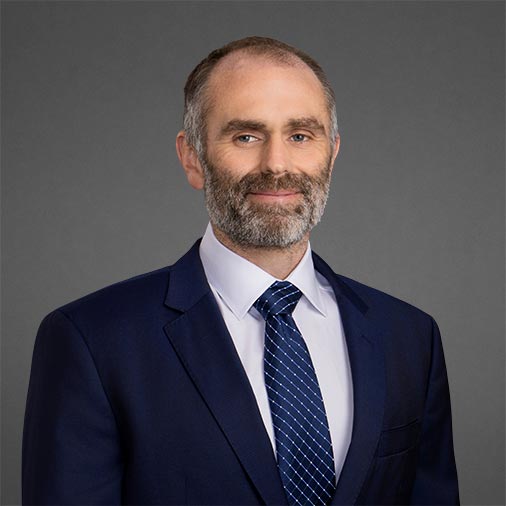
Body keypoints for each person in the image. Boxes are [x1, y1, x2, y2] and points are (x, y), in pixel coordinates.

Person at [22, 36, 459, 505]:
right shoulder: (93, 341)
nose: (277, 164)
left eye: (300, 136)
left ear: (331, 154)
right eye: (246, 136)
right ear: (192, 157)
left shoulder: (409, 337)